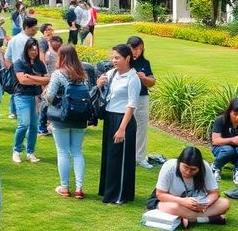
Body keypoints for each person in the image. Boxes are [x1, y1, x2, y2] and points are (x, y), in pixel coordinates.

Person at [97, 43, 142, 204]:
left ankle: (120, 195)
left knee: (120, 158)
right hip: (110, 117)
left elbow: (132, 104)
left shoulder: (133, 78)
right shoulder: (112, 73)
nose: (114, 60)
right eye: (113, 57)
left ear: (127, 58)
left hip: (124, 120)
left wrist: (122, 128)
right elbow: (102, 88)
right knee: (109, 156)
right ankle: (107, 191)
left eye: (117, 58)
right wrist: (99, 83)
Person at [43, 44, 90, 198]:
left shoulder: (58, 74)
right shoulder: (83, 73)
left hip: (61, 117)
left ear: (61, 57)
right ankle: (79, 188)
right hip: (81, 117)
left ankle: (64, 187)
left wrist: (45, 96)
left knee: (62, 152)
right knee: (77, 151)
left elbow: (49, 97)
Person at [155, 147, 230, 227]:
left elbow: (214, 193)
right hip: (174, 202)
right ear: (179, 162)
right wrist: (183, 201)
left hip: (198, 203)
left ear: (199, 168)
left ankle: (190, 218)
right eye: (185, 167)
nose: (188, 172)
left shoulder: (205, 167)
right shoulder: (169, 166)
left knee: (224, 203)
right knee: (170, 207)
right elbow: (160, 194)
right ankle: (206, 219)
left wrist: (205, 203)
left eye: (193, 169)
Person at [11, 38, 49, 163]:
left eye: (36, 49)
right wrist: (38, 79)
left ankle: (30, 152)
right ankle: (16, 151)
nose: (34, 52)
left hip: (35, 97)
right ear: (26, 49)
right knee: (24, 124)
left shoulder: (40, 64)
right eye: (31, 49)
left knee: (34, 126)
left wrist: (30, 77)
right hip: (22, 96)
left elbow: (47, 80)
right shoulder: (19, 63)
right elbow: (22, 81)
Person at [211, 98, 238, 186]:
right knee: (228, 150)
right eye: (235, 114)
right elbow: (215, 141)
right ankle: (216, 167)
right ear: (230, 112)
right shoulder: (221, 120)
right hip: (222, 147)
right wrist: (232, 140)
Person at [128, 35, 157, 169]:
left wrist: (144, 78)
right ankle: (126, 155)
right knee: (126, 126)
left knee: (141, 127)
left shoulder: (145, 63)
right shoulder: (125, 61)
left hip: (141, 97)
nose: (138, 52)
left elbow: (152, 82)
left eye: (140, 49)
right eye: (135, 49)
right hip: (126, 98)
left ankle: (139, 157)